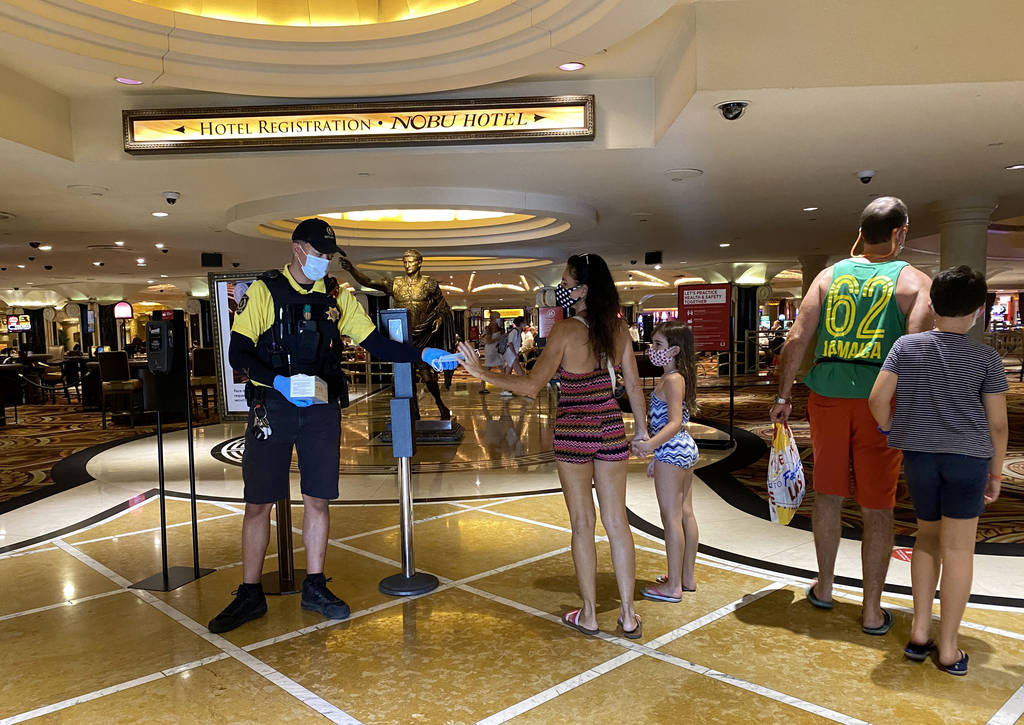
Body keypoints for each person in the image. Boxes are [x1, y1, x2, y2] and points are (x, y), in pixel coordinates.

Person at [208, 218, 456, 634]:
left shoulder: (336, 296)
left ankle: (315, 585)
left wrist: (422, 354)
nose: (324, 261)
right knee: (258, 503)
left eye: (329, 255)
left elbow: (374, 341)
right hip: (273, 405)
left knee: (318, 498)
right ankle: (249, 592)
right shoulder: (266, 292)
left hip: (321, 409)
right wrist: (279, 381)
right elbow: (239, 353)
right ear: (297, 248)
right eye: (319, 253)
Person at [457, 253, 648, 638]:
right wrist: (641, 430)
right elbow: (633, 384)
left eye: (566, 282)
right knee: (617, 522)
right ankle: (628, 615)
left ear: (583, 288)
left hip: (574, 431)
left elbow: (531, 386)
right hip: (609, 427)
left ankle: (590, 614)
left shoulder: (565, 332)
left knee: (582, 524)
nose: (560, 290)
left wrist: (481, 372)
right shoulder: (618, 329)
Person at [769, 196, 933, 635]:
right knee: (878, 504)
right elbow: (916, 351)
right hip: (881, 402)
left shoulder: (828, 276)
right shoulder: (915, 282)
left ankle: (824, 586)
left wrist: (784, 395)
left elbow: (797, 340)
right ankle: (872, 609)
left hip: (826, 396)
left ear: (861, 231)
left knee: (828, 493)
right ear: (900, 233)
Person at [868, 266, 1008, 675]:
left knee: (926, 536)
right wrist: (997, 474)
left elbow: (878, 399)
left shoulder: (905, 347)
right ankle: (948, 648)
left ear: (931, 304)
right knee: (959, 549)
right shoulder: (986, 357)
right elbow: (997, 424)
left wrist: (891, 428)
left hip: (919, 457)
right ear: (978, 311)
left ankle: (918, 631)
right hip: (968, 459)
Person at [340, 249, 455, 420]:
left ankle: (440, 404)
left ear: (419, 263)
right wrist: (352, 270)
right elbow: (370, 282)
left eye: (411, 261)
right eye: (405, 262)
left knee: (426, 375)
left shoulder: (429, 284)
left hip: (422, 333)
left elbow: (442, 307)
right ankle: (413, 412)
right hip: (401, 335)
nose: (407, 265)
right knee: (403, 374)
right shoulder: (396, 283)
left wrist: (438, 319)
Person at [631, 321, 701, 600]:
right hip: (681, 450)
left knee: (671, 518)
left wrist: (650, 446)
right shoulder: (676, 377)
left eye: (658, 345)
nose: (652, 349)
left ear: (674, 350)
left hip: (672, 449)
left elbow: (672, 423)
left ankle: (673, 587)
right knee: (685, 513)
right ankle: (685, 577)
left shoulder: (672, 380)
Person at [479, 311, 505, 394]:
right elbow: (489, 340)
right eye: (498, 316)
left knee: (498, 368)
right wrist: (498, 339)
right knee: (498, 368)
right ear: (494, 318)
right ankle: (506, 387)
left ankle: (506, 387)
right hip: (492, 350)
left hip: (493, 349)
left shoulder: (494, 326)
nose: (499, 318)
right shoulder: (492, 326)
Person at [500, 316, 526, 396]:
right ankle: (525, 390)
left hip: (511, 354)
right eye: (524, 322)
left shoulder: (518, 331)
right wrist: (515, 354)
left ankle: (504, 390)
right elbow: (510, 343)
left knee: (508, 372)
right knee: (520, 372)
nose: (525, 324)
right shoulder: (514, 332)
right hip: (511, 355)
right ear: (521, 323)